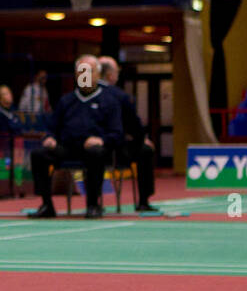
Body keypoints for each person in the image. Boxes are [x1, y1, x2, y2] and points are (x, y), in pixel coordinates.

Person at [27, 56, 122, 219]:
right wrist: (50, 138)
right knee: (38, 154)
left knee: (96, 153)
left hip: (93, 151)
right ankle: (47, 205)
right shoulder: (66, 101)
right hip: (67, 148)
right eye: (81, 72)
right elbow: (51, 128)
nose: (85, 76)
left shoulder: (110, 101)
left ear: (98, 75)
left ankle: (93, 205)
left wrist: (101, 140)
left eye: (89, 71)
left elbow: (117, 134)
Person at [98, 56, 158, 213]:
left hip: (94, 149)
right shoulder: (120, 96)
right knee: (145, 150)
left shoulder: (82, 95)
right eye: (117, 71)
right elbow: (134, 123)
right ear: (110, 75)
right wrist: (142, 139)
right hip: (117, 150)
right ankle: (143, 201)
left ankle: (94, 202)